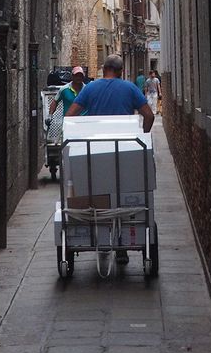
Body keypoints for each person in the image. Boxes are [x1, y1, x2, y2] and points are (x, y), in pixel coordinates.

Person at [66, 55, 154, 266]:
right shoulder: (130, 88)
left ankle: (102, 238)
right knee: (123, 194)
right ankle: (122, 244)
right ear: (121, 71)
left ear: (103, 69)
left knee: (97, 193)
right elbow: (149, 116)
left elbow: (70, 115)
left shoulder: (90, 88)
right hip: (124, 150)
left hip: (95, 150)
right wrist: (142, 137)